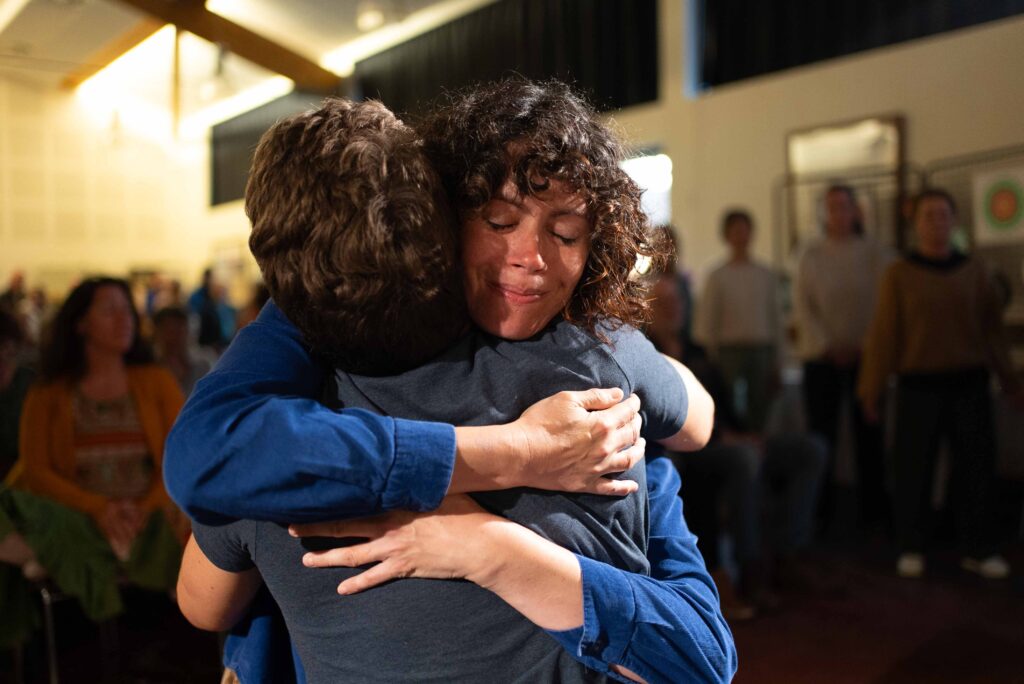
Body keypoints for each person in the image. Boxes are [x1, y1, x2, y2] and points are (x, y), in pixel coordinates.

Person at [169, 84, 732, 684]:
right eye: (500, 221)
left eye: (566, 233)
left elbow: (203, 604)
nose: (532, 256)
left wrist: (484, 545)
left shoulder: (281, 436)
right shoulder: (601, 377)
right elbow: (694, 423)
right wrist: (517, 458)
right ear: (443, 215)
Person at [858, 188, 1022, 579]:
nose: (936, 222)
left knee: (976, 468)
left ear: (954, 220)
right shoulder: (900, 274)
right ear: (916, 224)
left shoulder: (975, 270)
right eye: (928, 216)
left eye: (943, 215)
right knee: (914, 467)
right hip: (919, 385)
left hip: (969, 383)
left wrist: (1011, 381)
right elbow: (885, 335)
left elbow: (993, 333)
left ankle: (978, 547)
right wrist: (870, 389)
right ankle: (912, 544)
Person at [651, 266, 826, 620]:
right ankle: (750, 570)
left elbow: (726, 407)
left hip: (727, 437)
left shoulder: (698, 352)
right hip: (688, 450)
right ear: (646, 308)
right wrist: (729, 438)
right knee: (744, 458)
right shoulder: (645, 357)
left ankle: (788, 551)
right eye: (664, 302)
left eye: (678, 301)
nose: (674, 308)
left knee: (810, 450)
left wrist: (746, 434)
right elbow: (661, 420)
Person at [794, 184, 890, 528]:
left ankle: (874, 516)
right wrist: (827, 346)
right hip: (822, 358)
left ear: (855, 210)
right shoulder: (810, 255)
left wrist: (864, 345)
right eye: (831, 206)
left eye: (844, 205)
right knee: (823, 438)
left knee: (869, 436)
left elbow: (884, 305)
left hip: (868, 358)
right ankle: (822, 518)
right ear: (824, 212)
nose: (838, 212)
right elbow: (803, 307)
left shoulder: (876, 253)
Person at [695, 209, 784, 432]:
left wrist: (778, 360)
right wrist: (711, 355)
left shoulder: (765, 275)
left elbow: (776, 318)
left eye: (744, 230)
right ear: (726, 235)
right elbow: (708, 319)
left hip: (761, 349)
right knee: (728, 407)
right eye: (735, 231)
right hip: (728, 352)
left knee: (760, 409)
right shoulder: (717, 276)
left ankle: (757, 444)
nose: (740, 236)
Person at [152, 306, 215, 396]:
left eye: (178, 331)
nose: (173, 338)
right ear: (157, 334)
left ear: (187, 332)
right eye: (168, 331)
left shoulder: (202, 367)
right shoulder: (149, 371)